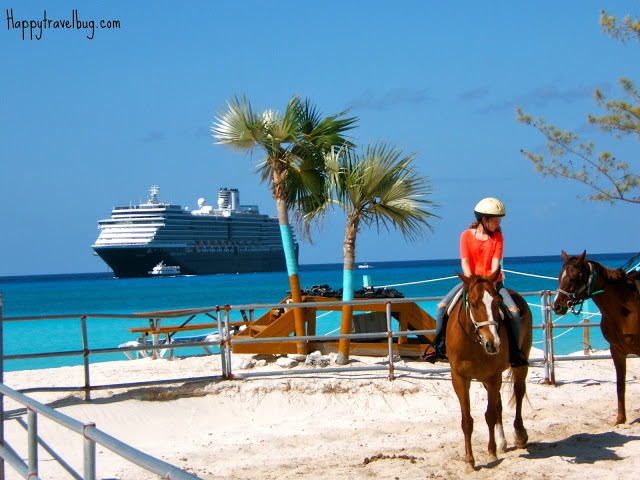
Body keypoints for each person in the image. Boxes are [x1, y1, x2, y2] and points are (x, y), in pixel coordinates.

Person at [423, 197, 528, 367]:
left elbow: (496, 262)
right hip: (471, 281)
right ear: (483, 219)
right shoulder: (466, 236)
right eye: (494, 221)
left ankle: (515, 352)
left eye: (499, 221)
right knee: (442, 306)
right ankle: (439, 347)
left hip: (493, 282)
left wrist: (492, 280)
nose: (497, 224)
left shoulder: (498, 238)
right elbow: (465, 260)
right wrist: (470, 280)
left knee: (514, 312)